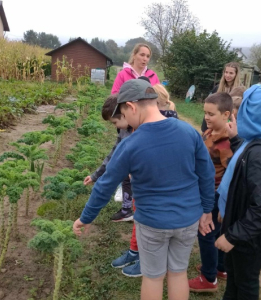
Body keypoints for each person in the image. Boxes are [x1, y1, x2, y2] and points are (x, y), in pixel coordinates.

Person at [73, 79, 216, 300]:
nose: (127, 121)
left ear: (131, 106)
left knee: (153, 277)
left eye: (124, 113)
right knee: (177, 273)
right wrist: (206, 210)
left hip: (152, 223)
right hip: (187, 220)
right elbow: (206, 174)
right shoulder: (188, 131)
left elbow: (105, 184)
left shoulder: (130, 144)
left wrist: (86, 217)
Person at [215, 84, 261, 300]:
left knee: (245, 283)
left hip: (247, 237)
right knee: (235, 280)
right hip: (246, 230)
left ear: (251, 111)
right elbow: (244, 171)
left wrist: (232, 235)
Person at [111, 83, 178, 278]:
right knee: (138, 220)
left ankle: (146, 261)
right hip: (142, 191)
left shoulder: (171, 129)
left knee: (152, 230)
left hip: (157, 196)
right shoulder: (138, 129)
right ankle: (135, 251)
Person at [109, 43, 160, 220]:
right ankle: (126, 206)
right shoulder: (124, 74)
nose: (145, 59)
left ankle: (141, 205)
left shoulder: (153, 76)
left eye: (148, 56)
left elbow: (158, 97)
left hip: (147, 126)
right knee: (127, 163)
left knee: (144, 164)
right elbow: (115, 95)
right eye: (142, 55)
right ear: (135, 55)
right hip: (129, 124)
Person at [189, 93, 233, 293]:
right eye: (205, 112)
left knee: (206, 233)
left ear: (226, 115)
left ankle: (209, 278)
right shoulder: (209, 132)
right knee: (217, 230)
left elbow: (231, 174)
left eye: (211, 114)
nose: (206, 117)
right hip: (208, 190)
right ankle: (220, 268)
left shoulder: (226, 144)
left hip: (214, 194)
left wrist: (223, 201)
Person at [83, 94, 134, 222]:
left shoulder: (138, 132)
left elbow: (110, 177)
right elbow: (114, 153)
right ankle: (127, 210)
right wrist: (96, 175)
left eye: (115, 122)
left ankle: (129, 210)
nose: (116, 126)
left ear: (124, 114)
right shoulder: (123, 131)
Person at [201, 62, 245, 133]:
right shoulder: (217, 88)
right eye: (226, 72)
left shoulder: (241, 91)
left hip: (231, 123)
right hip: (215, 122)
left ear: (236, 74)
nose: (227, 75)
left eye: (231, 73)